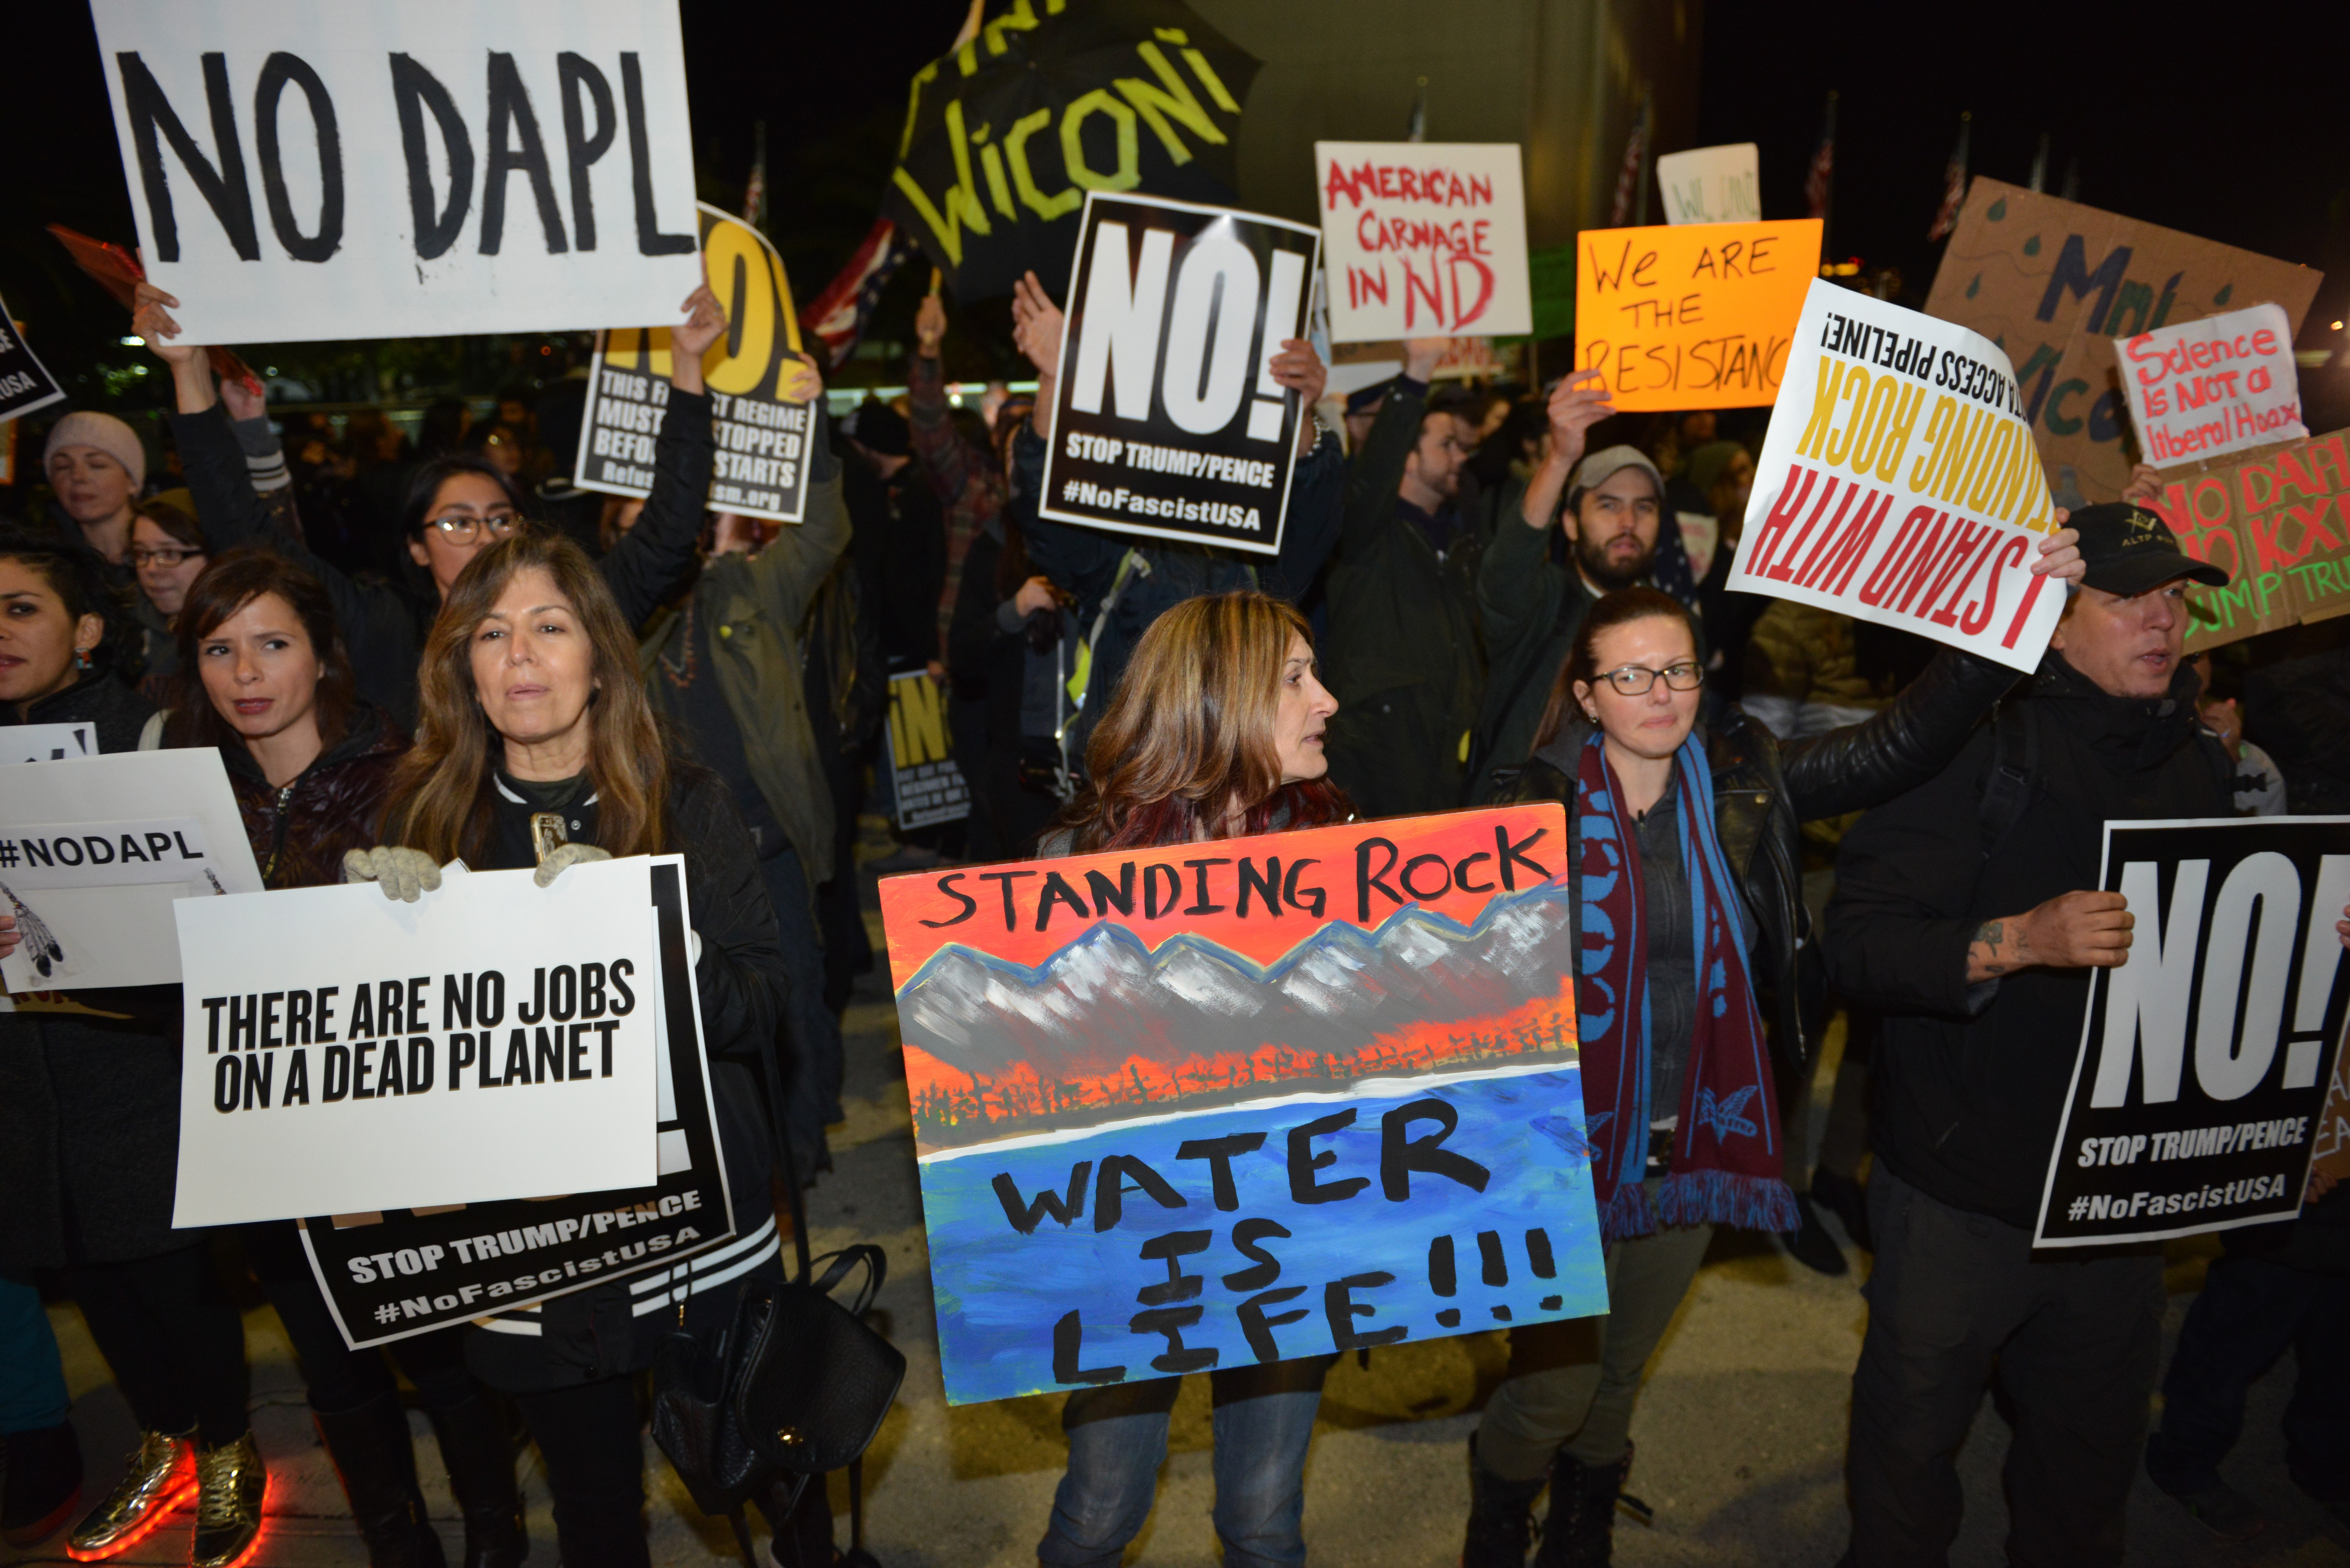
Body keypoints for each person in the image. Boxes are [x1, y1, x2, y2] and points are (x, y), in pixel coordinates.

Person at [1461, 527, 2083, 1568]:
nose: (1662, 693)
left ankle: (1587, 1495)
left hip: (1705, 1126)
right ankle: (1504, 1486)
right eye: (1632, 675)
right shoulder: (1525, 810)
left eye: (1680, 670)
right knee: (1554, 1380)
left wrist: (1998, 629)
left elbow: (1896, 746)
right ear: (1585, 695)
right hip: (1562, 1149)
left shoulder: (1747, 778)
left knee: (1625, 1362)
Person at [1820, 502, 2318, 1567]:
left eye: (2177, 599)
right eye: (2129, 596)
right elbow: (1854, 947)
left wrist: (2303, 954)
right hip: (1964, 1196)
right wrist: (2017, 940)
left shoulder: (2194, 763)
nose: (2163, 620)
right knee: (1909, 1456)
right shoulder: (1973, 746)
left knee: (2088, 1469)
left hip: (2116, 1207)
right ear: (2053, 622)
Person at [341, 531, 804, 1568]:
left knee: (770, 1467)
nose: (520, 657)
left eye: (550, 627)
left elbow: (761, 1012)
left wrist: (651, 928)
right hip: (536, 1251)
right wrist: (369, 938)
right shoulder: (426, 816)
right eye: (492, 633)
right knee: (594, 1512)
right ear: (462, 664)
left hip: (696, 1225)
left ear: (599, 652)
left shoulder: (685, 801)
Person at [159, 549, 526, 1566]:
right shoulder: (183, 800)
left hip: (391, 1135)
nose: (246, 672)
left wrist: (429, 894)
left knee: (436, 1347)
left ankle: (497, 1529)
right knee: (329, 1366)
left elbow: (478, 965)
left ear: (322, 655)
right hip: (263, 1133)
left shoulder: (408, 777)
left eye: (272, 643)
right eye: (219, 647)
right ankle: (395, 1542)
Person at [1034, 589, 1347, 1568]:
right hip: (1136, 1245)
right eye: (1294, 678)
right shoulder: (1064, 872)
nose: (1327, 699)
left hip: (1284, 1234)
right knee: (1098, 1510)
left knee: (1262, 1522)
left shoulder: (1350, 859)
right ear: (1216, 705)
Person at [0, 525, 264, 1568]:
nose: (0, 631)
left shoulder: (152, 740)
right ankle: (163, 1439)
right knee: (87, 1275)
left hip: (135, 1072)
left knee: (169, 1276)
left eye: (22, 608)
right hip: (21, 1086)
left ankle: (230, 1445)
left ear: (90, 629)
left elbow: (217, 913)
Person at [133, 279, 728, 731]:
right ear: (416, 547)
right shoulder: (383, 628)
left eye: (500, 519)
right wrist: (189, 373)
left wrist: (688, 364)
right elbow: (245, 535)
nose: (484, 538)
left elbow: (670, 530)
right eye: (457, 523)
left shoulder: (578, 611)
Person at [637, 349, 851, 1186]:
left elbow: (825, 532)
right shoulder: (621, 627)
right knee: (708, 1023)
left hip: (771, 847)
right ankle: (743, 1159)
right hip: (686, 861)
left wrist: (812, 425)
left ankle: (798, 1161)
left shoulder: (752, 590)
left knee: (796, 998)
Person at [1007, 271, 1344, 779]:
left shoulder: (1256, 556)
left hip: (1251, 784)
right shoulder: (1122, 553)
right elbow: (1046, 514)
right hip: (1138, 792)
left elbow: (1316, 513)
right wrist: (1056, 378)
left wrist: (1298, 408)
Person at [1317, 339, 1492, 816]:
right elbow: (1373, 476)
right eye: (1446, 445)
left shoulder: (1458, 546)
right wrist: (1417, 372)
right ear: (1407, 459)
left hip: (1443, 761)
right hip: (1376, 763)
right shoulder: (1367, 534)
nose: (1461, 457)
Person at [1472, 369, 1661, 801]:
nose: (1628, 522)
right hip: (1528, 839)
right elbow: (1507, 570)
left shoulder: (1672, 624)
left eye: (1644, 507)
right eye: (1609, 505)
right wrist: (1559, 458)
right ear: (1571, 524)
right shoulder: (1543, 602)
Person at [2143, 1168, 2350, 1540]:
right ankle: (2184, 1463)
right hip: (2283, 1223)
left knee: (2339, 1361)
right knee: (2227, 1351)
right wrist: (2277, 1164)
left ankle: (2327, 1468)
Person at [43, 411, 147, 566]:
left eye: (97, 465)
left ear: (132, 481)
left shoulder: (173, 555)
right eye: (62, 467)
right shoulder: (48, 566)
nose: (78, 477)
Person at [128, 497, 208, 689]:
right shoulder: (125, 622)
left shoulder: (232, 635)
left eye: (170, 554)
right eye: (141, 554)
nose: (151, 569)